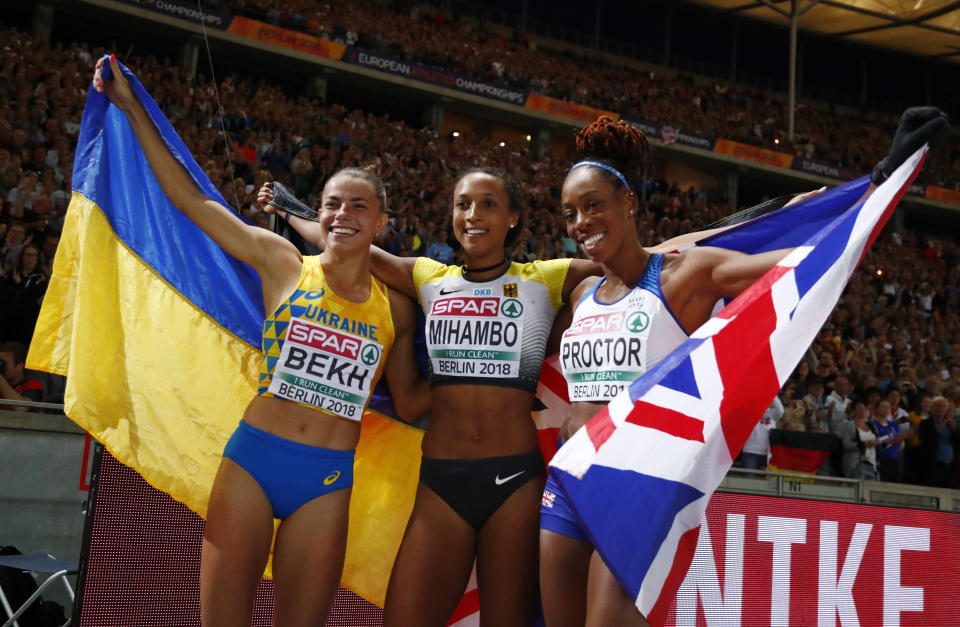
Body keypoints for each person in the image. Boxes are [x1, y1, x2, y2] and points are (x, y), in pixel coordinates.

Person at [93, 55, 429, 626]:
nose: (342, 214)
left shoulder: (397, 309)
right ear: (318, 215)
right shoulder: (284, 264)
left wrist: (500, 387)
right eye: (332, 204)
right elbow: (191, 201)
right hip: (252, 461)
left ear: (381, 222)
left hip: (326, 482)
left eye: (358, 206)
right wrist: (131, 108)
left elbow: (415, 401)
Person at [261, 166, 601, 626]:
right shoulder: (428, 276)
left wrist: (721, 235)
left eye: (489, 204)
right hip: (440, 482)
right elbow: (348, 242)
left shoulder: (546, 277)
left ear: (514, 218)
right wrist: (294, 212)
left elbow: (631, 258)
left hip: (515, 483)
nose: (473, 215)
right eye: (463, 204)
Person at [540, 116, 799, 627]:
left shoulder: (685, 276)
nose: (580, 223)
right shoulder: (578, 296)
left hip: (644, 481)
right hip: (569, 481)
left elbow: (795, 261)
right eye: (570, 213)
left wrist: (874, 198)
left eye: (593, 205)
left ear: (629, 204)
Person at [0, 341, 44, 411]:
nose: (1, 367)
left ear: (19, 366)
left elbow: (22, 407)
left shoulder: (33, 384)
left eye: (4, 364)